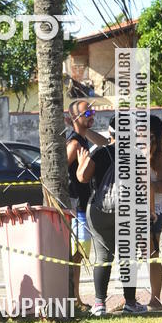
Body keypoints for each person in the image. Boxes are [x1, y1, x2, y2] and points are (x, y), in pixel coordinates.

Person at [77, 116, 147, 315]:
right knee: (127, 256)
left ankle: (99, 303)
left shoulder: (100, 153)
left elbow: (82, 177)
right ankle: (131, 302)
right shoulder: (136, 155)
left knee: (103, 256)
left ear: (110, 133)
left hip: (100, 212)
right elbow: (142, 188)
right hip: (127, 212)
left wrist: (82, 161)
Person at [66, 100, 109, 309]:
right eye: (88, 112)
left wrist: (83, 128)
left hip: (85, 206)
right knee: (77, 255)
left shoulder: (83, 139)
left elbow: (105, 143)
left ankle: (76, 298)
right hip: (78, 209)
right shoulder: (74, 144)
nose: (92, 115)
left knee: (81, 254)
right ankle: (75, 299)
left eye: (93, 111)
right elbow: (61, 172)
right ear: (75, 118)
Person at [148, 115, 162, 311]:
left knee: (152, 253)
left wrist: (150, 186)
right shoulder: (135, 153)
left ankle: (155, 299)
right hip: (139, 210)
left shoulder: (161, 157)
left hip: (157, 211)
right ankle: (132, 297)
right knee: (141, 253)